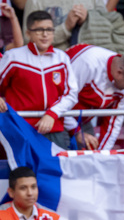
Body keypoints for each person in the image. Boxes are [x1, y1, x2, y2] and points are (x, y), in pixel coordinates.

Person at [0, 11, 79, 150]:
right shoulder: (13, 57)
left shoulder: (62, 58)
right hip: (19, 128)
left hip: (53, 127)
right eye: (39, 30)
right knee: (24, 171)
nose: (45, 34)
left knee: (56, 170)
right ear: (28, 33)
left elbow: (71, 94)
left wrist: (52, 114)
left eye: (49, 29)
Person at [65, 44, 124, 150]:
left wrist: (102, 155)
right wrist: (76, 131)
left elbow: (113, 123)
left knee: (91, 155)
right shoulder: (89, 62)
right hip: (54, 117)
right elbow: (59, 100)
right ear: (119, 73)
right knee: (62, 158)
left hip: (81, 120)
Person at [23, 0, 106, 50]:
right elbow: (29, 40)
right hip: (51, 64)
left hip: (89, 63)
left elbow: (106, 33)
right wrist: (66, 27)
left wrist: (88, 19)